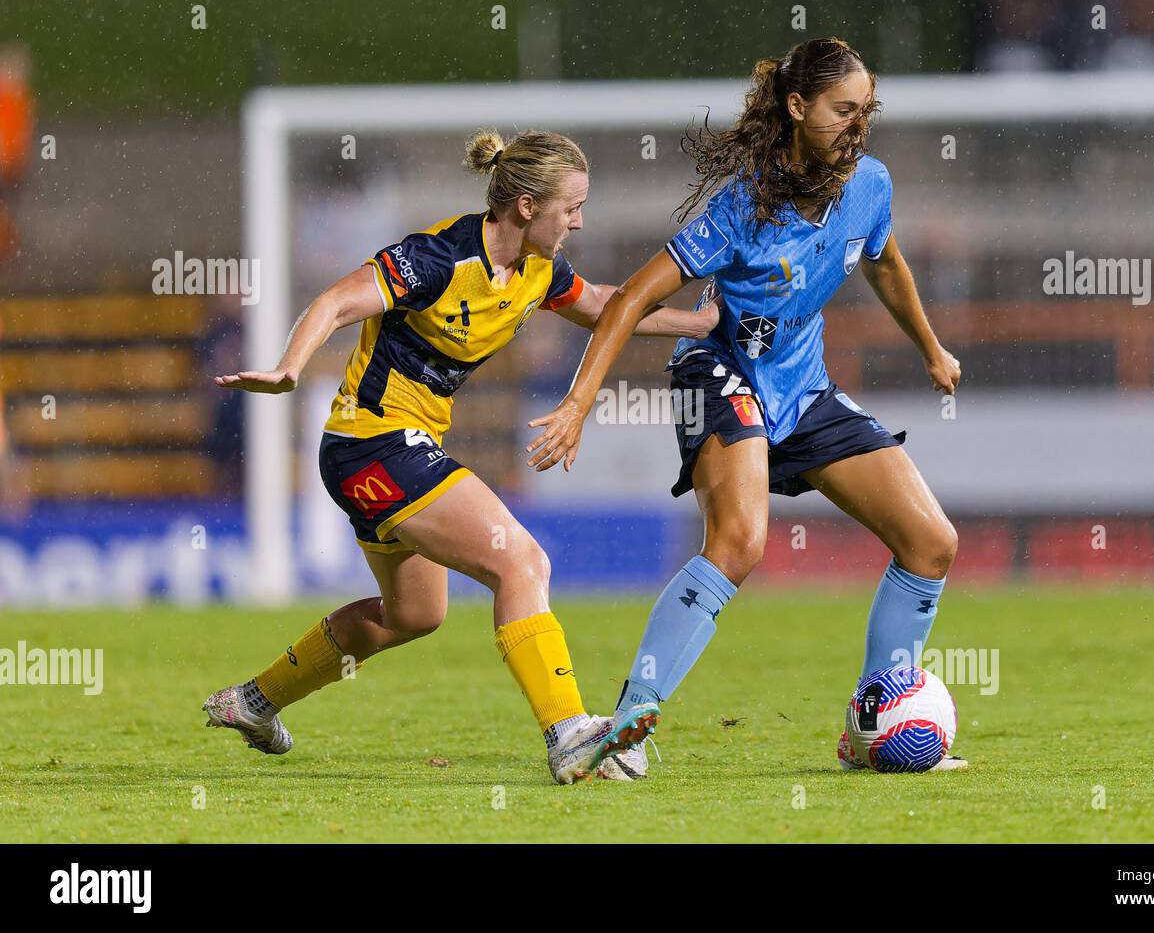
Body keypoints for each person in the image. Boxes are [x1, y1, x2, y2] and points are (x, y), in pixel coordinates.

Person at [205, 128, 717, 784]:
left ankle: (254, 702)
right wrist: (288, 368)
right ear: (528, 206)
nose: (580, 221)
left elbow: (604, 307)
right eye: (571, 207)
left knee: (415, 615)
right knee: (521, 560)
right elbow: (336, 301)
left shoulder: (539, 270)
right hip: (372, 440)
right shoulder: (437, 257)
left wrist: (694, 324)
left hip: (388, 451)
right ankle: (568, 734)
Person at [526, 39, 966, 779]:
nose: (859, 126)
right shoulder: (740, 206)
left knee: (932, 542)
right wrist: (578, 402)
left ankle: (872, 723)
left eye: (868, 111)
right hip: (720, 371)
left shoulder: (870, 185)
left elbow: (884, 260)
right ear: (797, 108)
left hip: (802, 387)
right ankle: (627, 724)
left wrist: (930, 346)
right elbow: (634, 296)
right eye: (844, 110)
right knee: (740, 542)